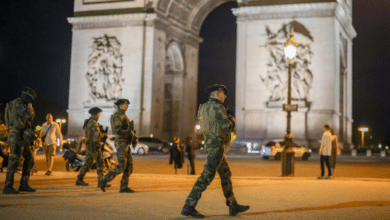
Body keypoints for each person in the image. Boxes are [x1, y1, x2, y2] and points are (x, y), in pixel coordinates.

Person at [181, 84, 250, 218]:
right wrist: (232, 119)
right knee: (206, 177)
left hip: (210, 144)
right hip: (217, 146)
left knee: (225, 173)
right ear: (218, 94)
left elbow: (208, 126)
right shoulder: (218, 108)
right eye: (223, 94)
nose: (224, 96)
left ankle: (232, 204)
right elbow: (226, 126)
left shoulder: (203, 107)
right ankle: (188, 206)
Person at [3, 87, 38, 194]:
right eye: (30, 99)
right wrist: (30, 107)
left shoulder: (22, 104)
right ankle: (8, 186)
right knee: (14, 160)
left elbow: (29, 119)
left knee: (30, 158)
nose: (30, 101)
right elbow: (27, 115)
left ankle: (24, 184)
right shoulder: (17, 104)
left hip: (22, 135)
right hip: (16, 135)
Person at [99, 99, 138, 193]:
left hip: (126, 142)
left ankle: (124, 186)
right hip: (121, 142)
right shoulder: (117, 116)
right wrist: (128, 132)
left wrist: (133, 136)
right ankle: (104, 180)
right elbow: (117, 131)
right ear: (120, 106)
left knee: (129, 166)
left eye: (127, 105)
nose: (127, 106)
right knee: (122, 166)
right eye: (125, 104)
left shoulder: (124, 115)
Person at [75, 107, 108, 187]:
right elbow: (97, 135)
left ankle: (79, 179)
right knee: (100, 163)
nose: (99, 116)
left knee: (88, 163)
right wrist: (104, 135)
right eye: (99, 114)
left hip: (89, 145)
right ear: (96, 114)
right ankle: (101, 182)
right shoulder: (94, 123)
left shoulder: (87, 122)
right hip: (94, 146)